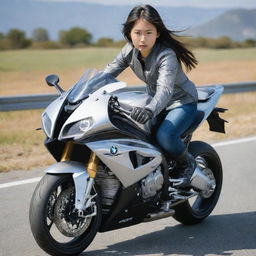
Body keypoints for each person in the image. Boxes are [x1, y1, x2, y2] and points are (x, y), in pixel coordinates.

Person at [103, 5, 198, 188]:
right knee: (132, 131)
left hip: (180, 103)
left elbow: (165, 90)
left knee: (165, 136)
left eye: (149, 32)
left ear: (158, 33)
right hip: (155, 103)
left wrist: (149, 109)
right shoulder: (128, 51)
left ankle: (187, 163)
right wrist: (79, 91)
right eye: (137, 32)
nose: (143, 39)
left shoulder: (166, 55)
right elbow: (106, 75)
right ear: (129, 32)